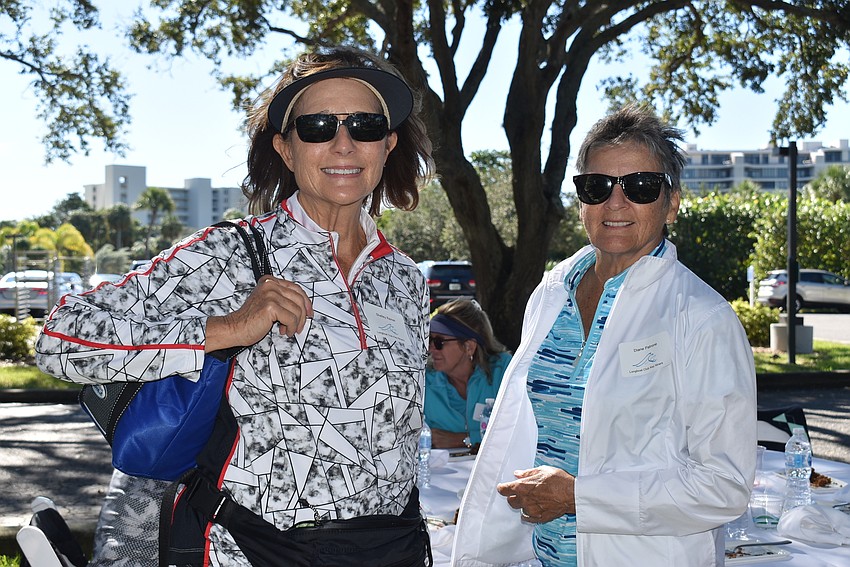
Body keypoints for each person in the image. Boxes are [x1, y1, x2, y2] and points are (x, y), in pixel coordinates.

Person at [35, 46, 435, 566]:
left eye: (364, 125)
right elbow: (59, 339)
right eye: (317, 126)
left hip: (392, 547)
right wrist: (223, 329)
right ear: (286, 150)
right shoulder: (231, 255)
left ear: (387, 144)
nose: (343, 143)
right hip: (257, 550)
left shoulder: (403, 278)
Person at [452, 105, 757, 566]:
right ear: (580, 202)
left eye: (639, 186)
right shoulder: (552, 293)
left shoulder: (702, 317)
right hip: (540, 556)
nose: (615, 203)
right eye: (596, 187)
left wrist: (580, 497)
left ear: (671, 202)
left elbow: (724, 486)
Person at [423, 299, 511, 449]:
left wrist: (464, 439)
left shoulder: (503, 371)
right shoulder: (423, 381)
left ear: (469, 347)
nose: (431, 348)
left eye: (439, 342)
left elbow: (516, 429)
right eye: (429, 339)